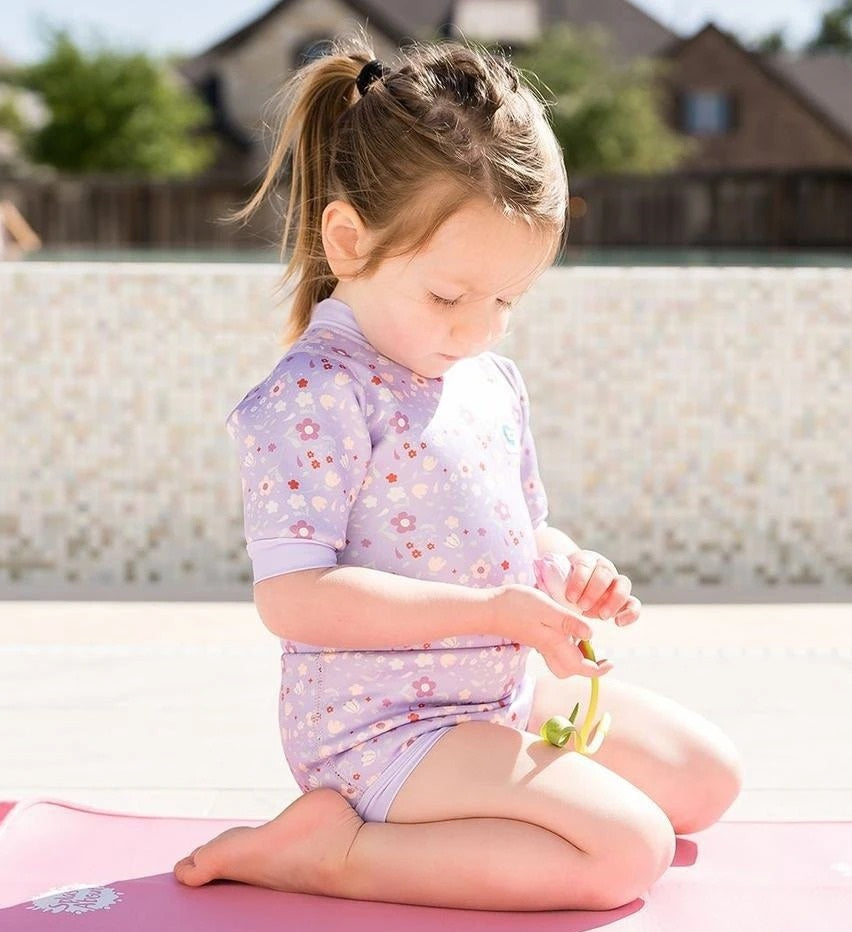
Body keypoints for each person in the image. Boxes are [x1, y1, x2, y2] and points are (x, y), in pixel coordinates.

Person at [173, 32, 743, 912]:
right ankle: (339, 850)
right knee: (629, 852)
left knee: (707, 781)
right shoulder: (314, 397)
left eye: (507, 301)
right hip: (386, 728)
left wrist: (564, 567)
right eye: (449, 297)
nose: (478, 330)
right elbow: (294, 599)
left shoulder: (485, 380)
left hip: (498, 689)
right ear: (349, 240)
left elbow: (519, 533)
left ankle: (483, 809)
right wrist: (492, 613)